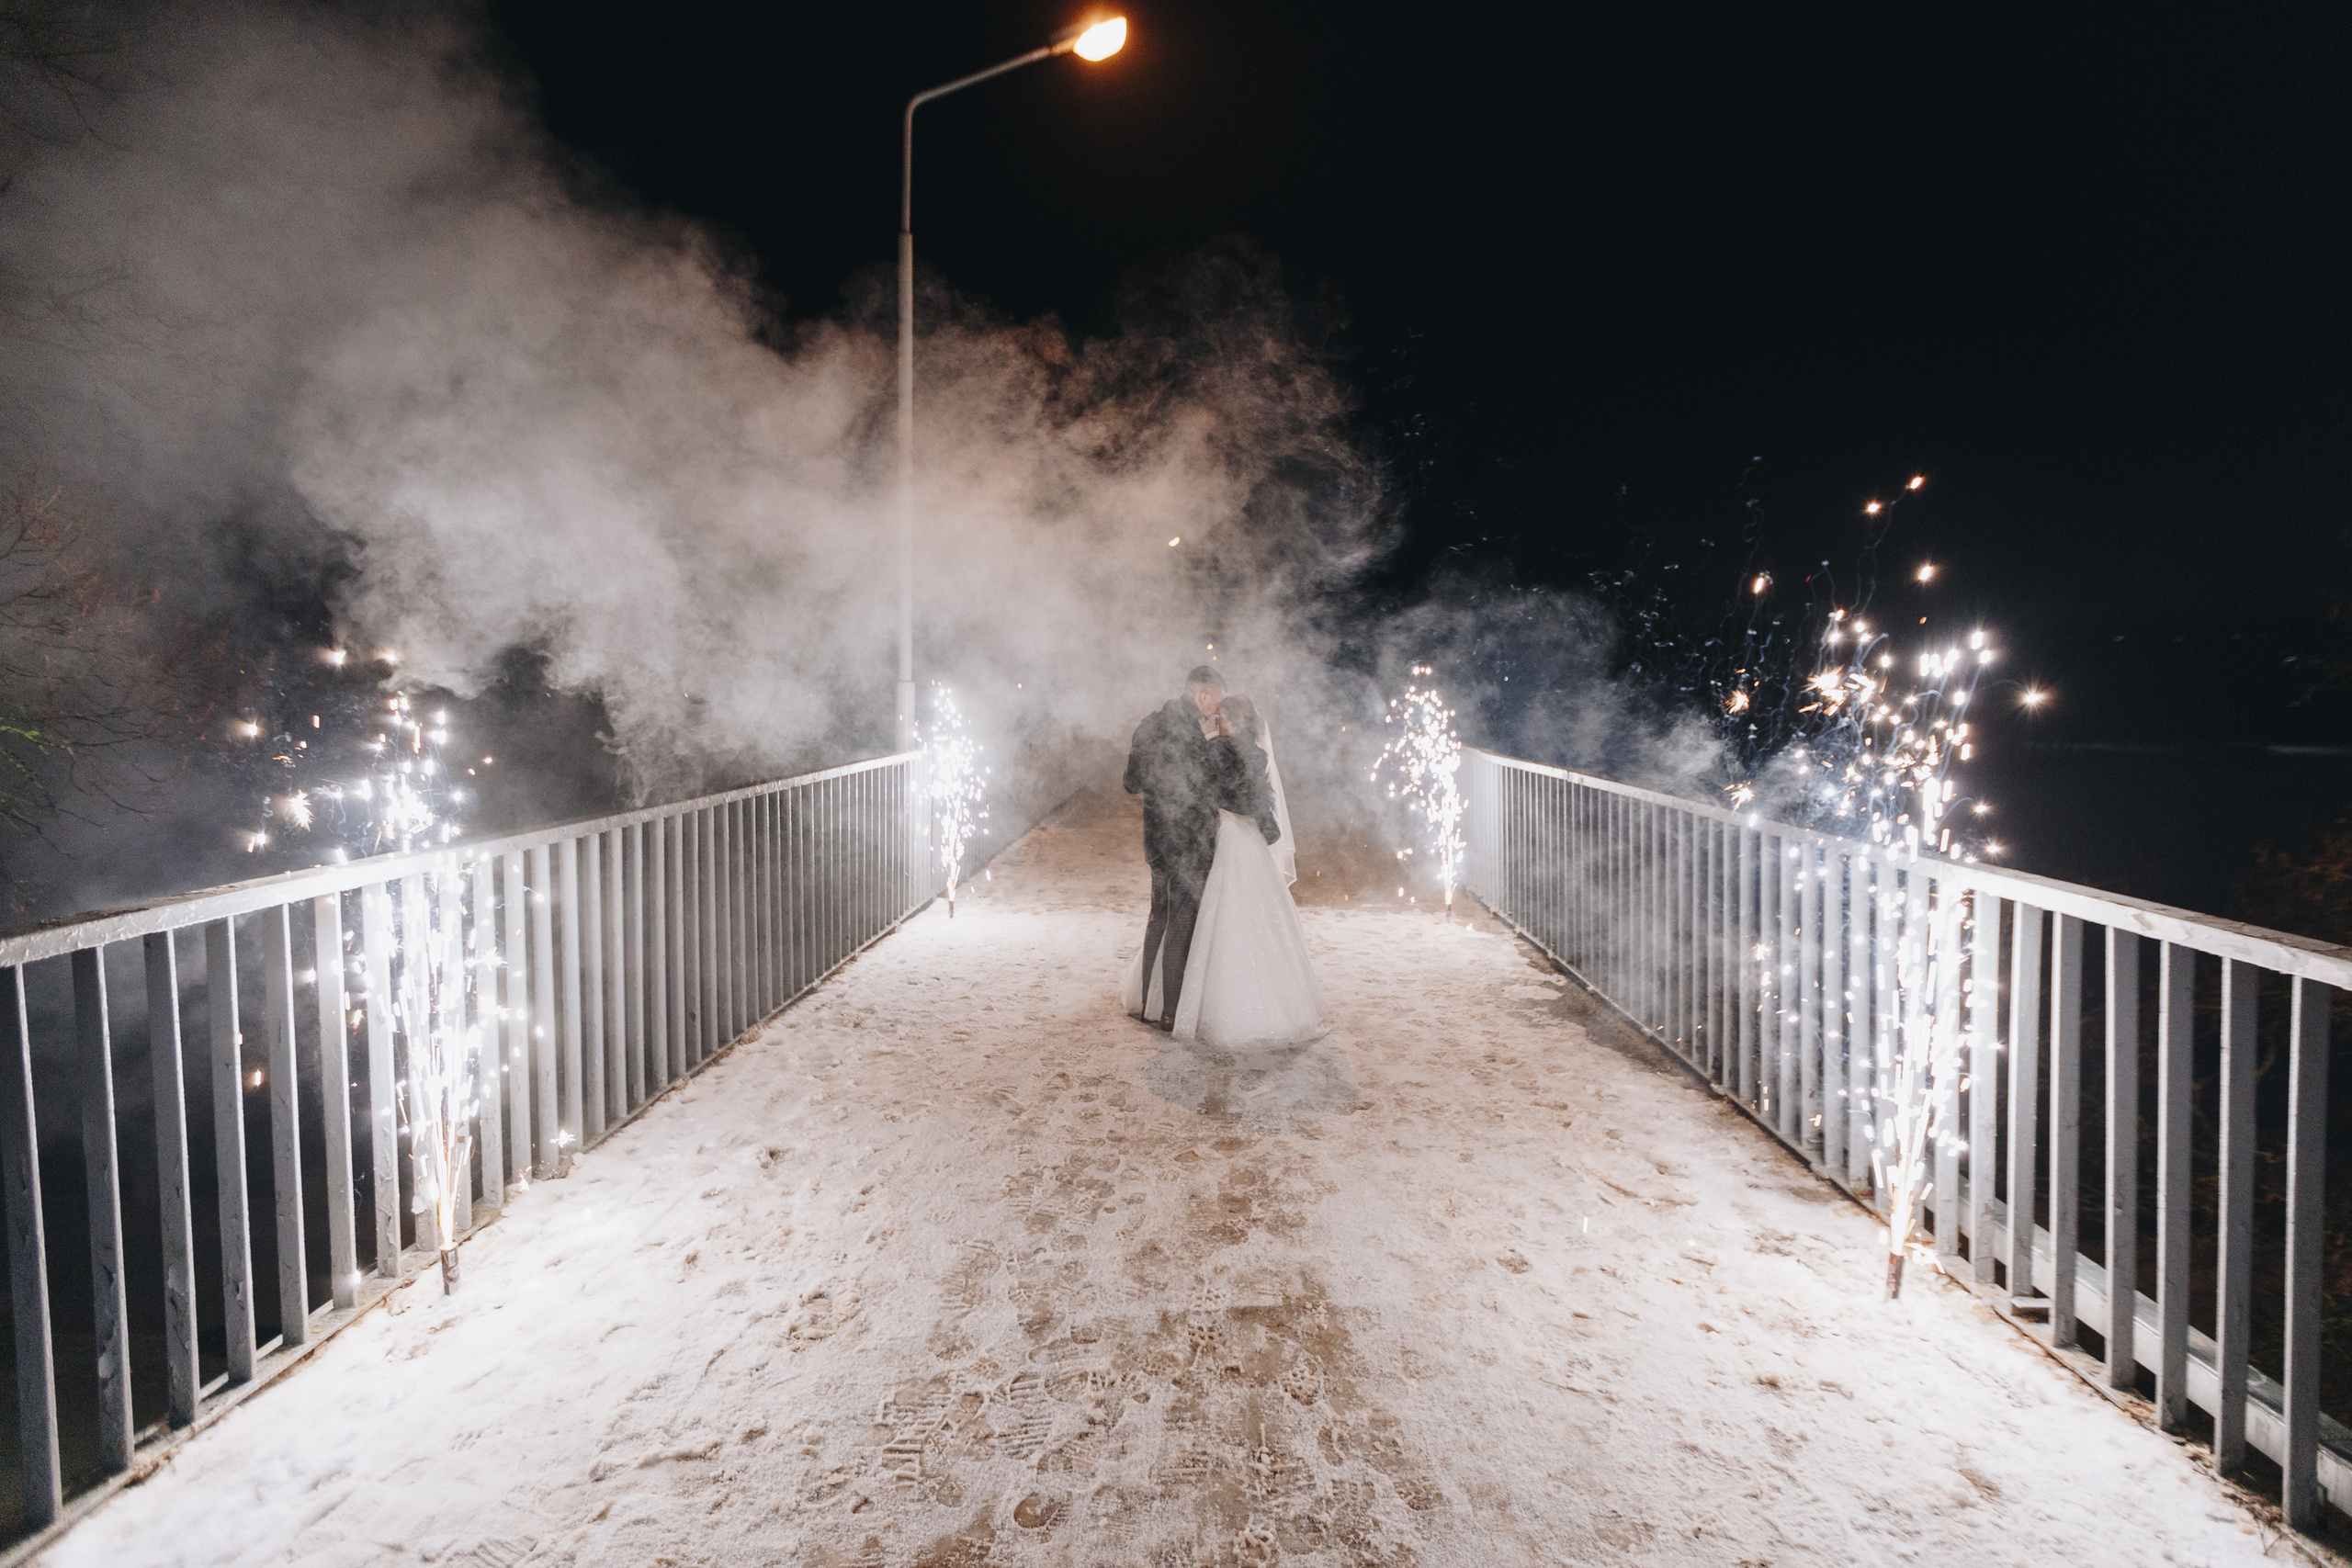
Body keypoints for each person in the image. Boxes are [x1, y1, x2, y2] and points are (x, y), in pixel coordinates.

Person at [1124, 690, 1329, 1048]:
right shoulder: (1259, 754)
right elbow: (1262, 806)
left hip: (1225, 839)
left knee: (1203, 919)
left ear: (1229, 721)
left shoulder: (1216, 750)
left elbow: (1198, 788)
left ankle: (1178, 1006)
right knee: (1258, 921)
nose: (1216, 723)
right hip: (1250, 842)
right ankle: (1272, 1000)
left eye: (1220, 719)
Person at [1122, 665, 1241, 1029]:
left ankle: (1148, 1005)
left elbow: (1130, 783)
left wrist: (1156, 790)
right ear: (1202, 694)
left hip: (1157, 839)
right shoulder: (1198, 732)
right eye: (1216, 701)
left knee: (1158, 917)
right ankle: (1171, 1012)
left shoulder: (1148, 724)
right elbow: (1216, 787)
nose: (1217, 709)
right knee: (1182, 923)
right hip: (1190, 840)